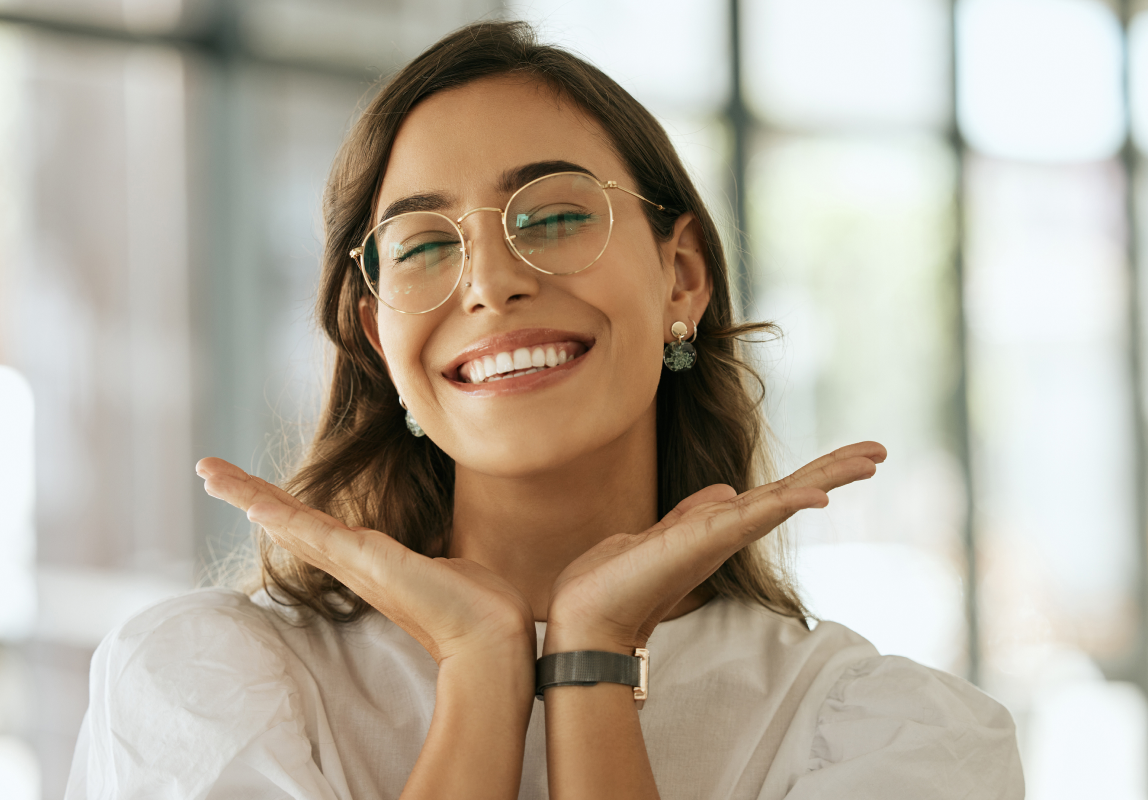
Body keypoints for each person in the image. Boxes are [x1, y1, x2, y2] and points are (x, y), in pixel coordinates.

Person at [65, 20, 1023, 800]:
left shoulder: (899, 740)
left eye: (555, 216)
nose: (489, 282)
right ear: (375, 337)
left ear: (680, 277)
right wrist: (481, 669)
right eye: (423, 246)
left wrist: (592, 665)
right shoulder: (200, 687)